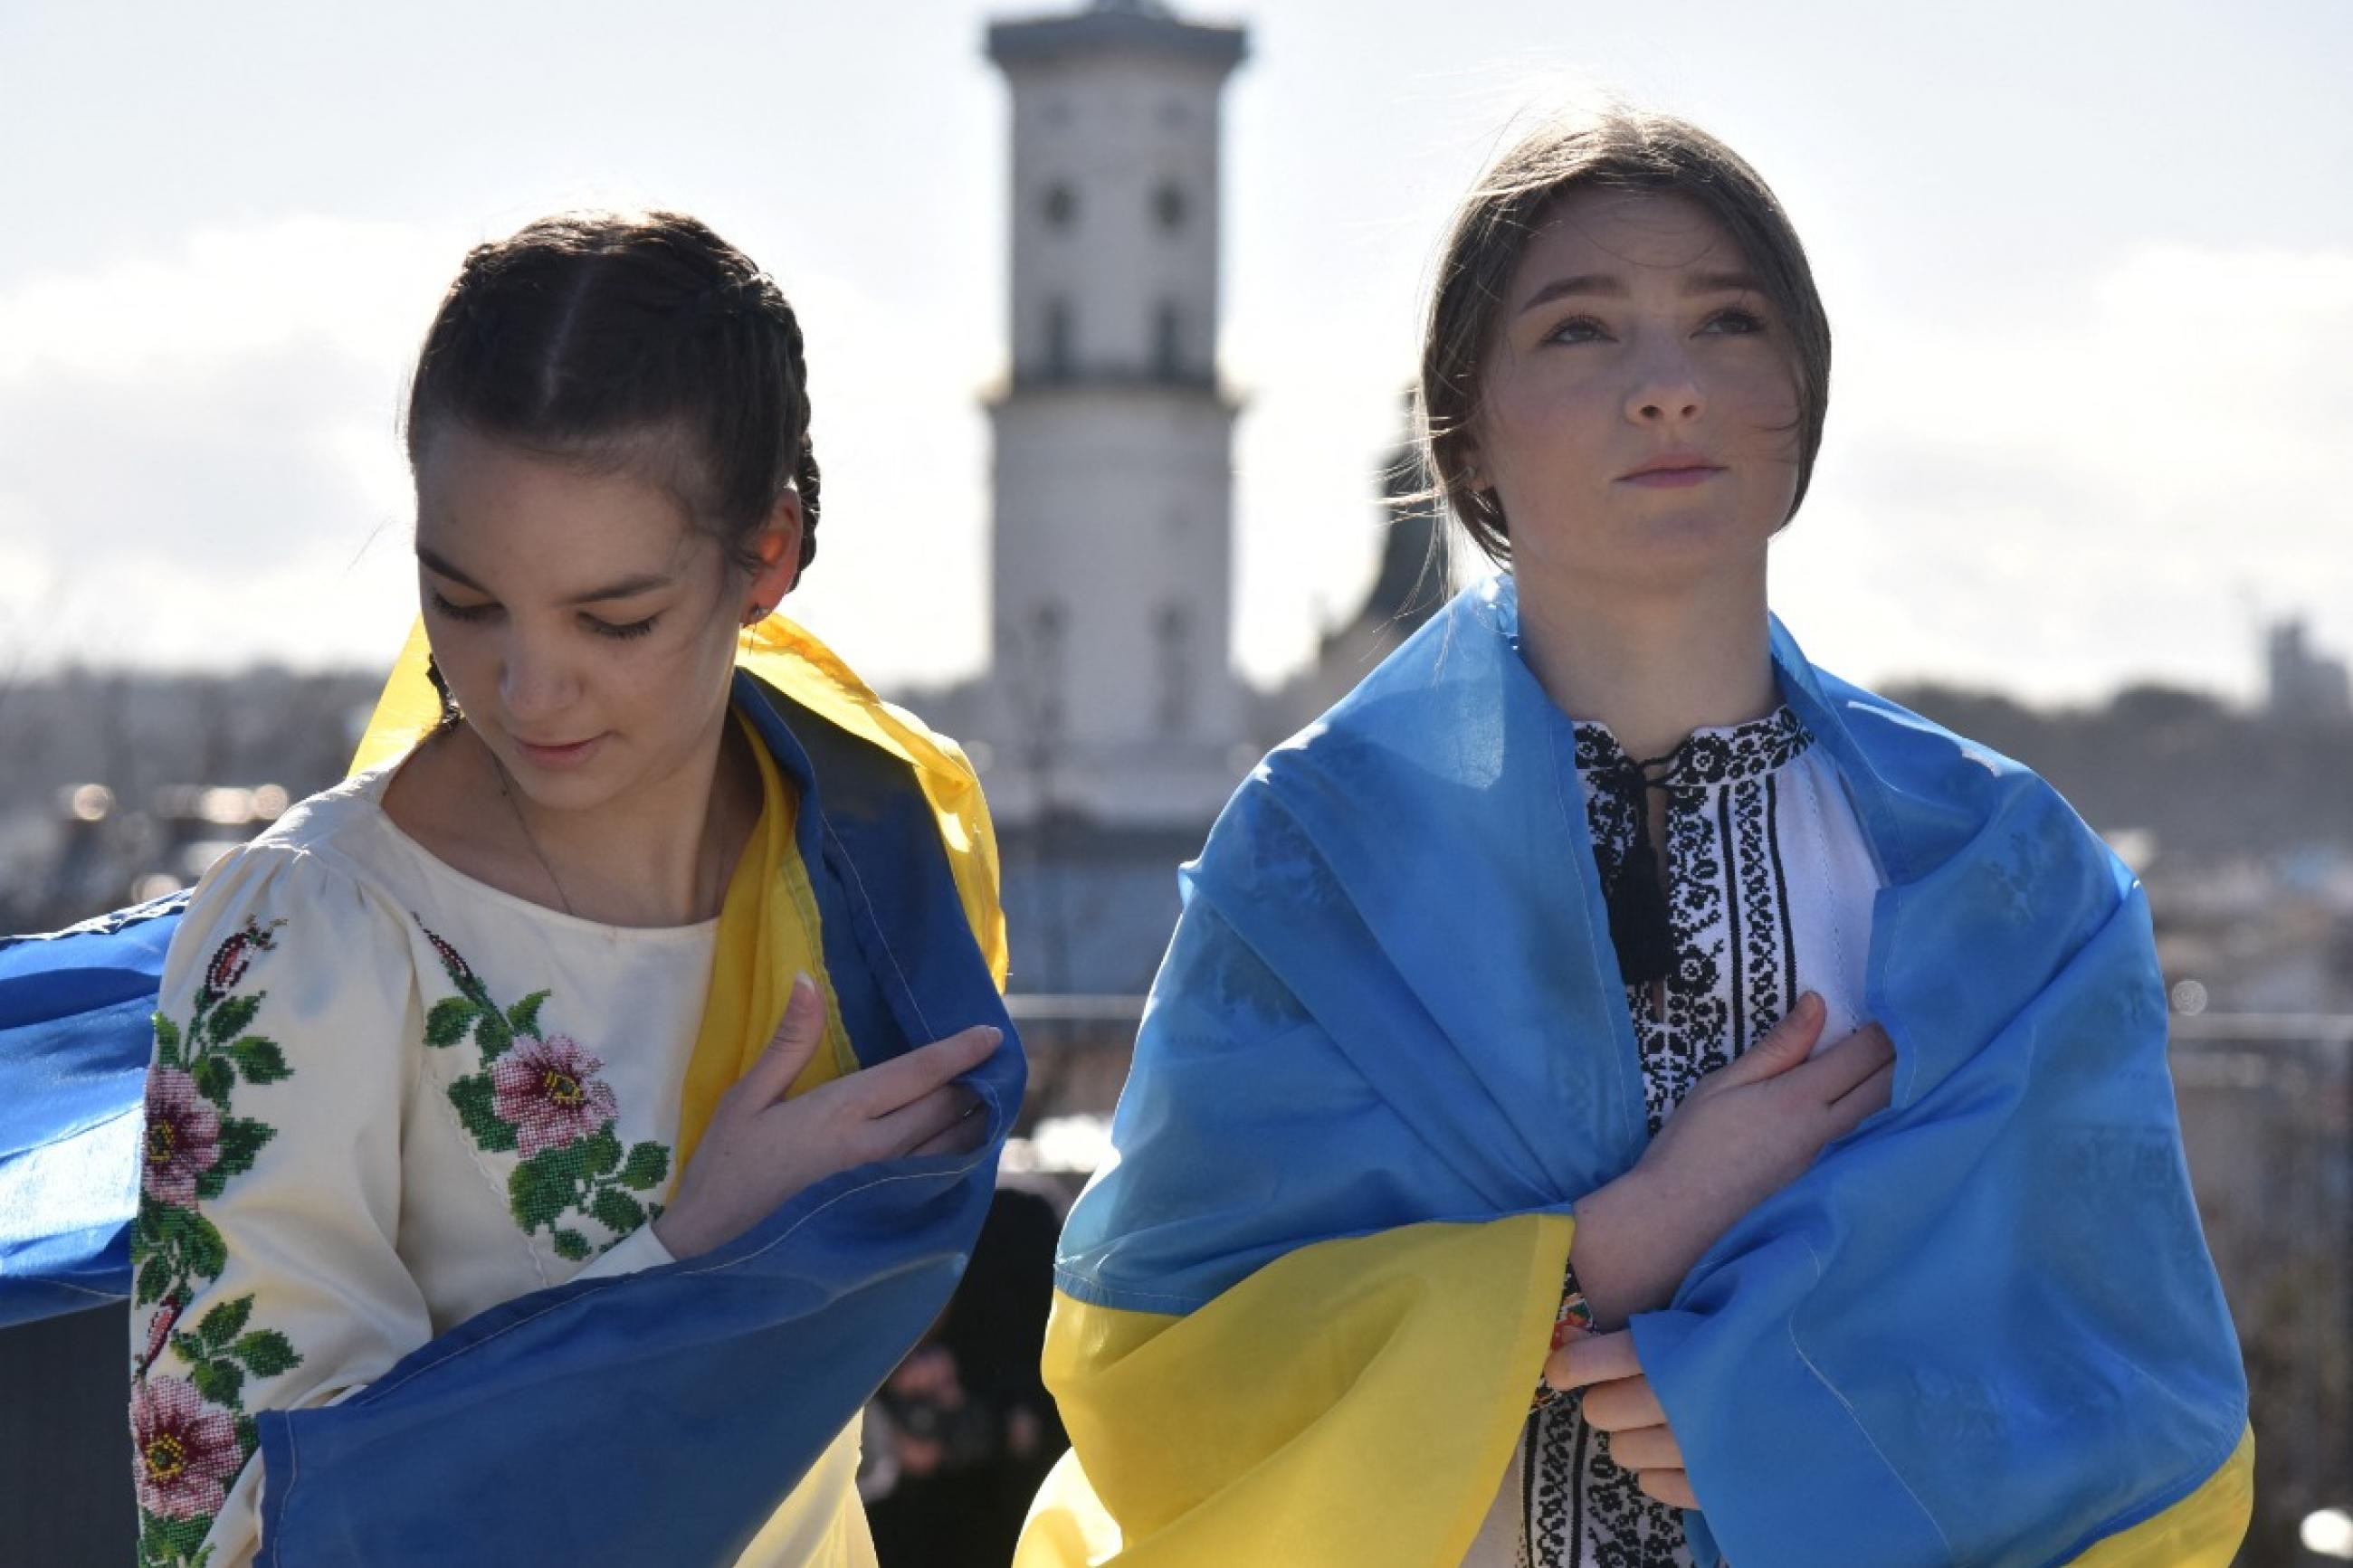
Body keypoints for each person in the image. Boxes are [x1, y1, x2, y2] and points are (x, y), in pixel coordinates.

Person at [1015, 109, 2251, 1568]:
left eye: (1729, 322)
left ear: (1803, 397)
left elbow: (2135, 1398)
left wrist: (1792, 1402)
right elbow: (1160, 1370)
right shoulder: (1313, 862)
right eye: (1581, 331)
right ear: (1463, 431)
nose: (1669, 388)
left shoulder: (2005, 876)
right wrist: (1607, 1248)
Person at [109, 210, 1024, 1566]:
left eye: (614, 618)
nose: (527, 689)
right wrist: (705, 1257)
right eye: (462, 599)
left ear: (766, 556)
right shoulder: (310, 935)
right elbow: (237, 1534)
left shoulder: (872, 859)